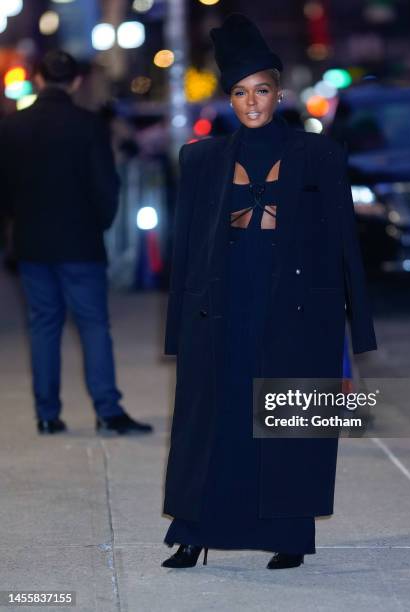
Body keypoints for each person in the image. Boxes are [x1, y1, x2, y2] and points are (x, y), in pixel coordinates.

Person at [161, 14, 377, 570]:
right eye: (239, 92)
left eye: (261, 90)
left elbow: (343, 243)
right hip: (222, 307)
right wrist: (177, 329)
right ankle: (194, 532)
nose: (251, 102)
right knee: (214, 420)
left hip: (297, 309)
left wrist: (359, 329)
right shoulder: (202, 159)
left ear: (279, 92)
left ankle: (290, 537)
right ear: (228, 98)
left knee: (288, 423)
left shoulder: (320, 154)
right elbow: (185, 249)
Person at [0, 50, 153, 437]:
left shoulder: (12, 127)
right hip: (81, 241)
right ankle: (107, 411)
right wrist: (98, 225)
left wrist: (15, 228)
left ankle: (48, 414)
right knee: (94, 325)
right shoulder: (87, 125)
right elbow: (106, 186)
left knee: (44, 326)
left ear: (36, 80)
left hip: (32, 242)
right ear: (76, 82)